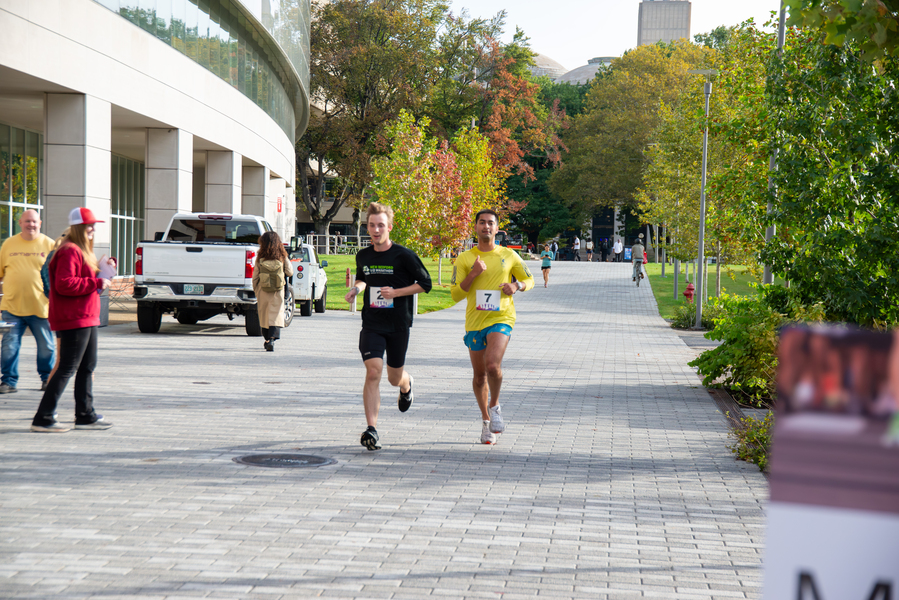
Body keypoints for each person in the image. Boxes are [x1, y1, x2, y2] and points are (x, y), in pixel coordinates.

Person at [345, 202, 432, 451]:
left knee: (394, 378)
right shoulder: (363, 255)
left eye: (380, 225)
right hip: (372, 323)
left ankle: (406, 384)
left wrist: (397, 293)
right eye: (371, 225)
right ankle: (372, 429)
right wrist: (356, 288)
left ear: (389, 227)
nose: (375, 229)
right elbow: (363, 277)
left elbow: (425, 284)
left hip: (398, 325)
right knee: (374, 371)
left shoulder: (404, 255)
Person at [451, 209, 535, 444]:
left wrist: (517, 286)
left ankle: (495, 405)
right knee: (479, 377)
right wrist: (474, 273)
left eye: (490, 223)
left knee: (492, 365)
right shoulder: (465, 259)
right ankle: (486, 422)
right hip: (475, 322)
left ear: (497, 229)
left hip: (502, 318)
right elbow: (456, 294)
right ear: (475, 227)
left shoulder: (509, 255)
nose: (486, 226)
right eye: (482, 223)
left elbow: (530, 280)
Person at [31, 208, 112, 433]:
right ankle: (44, 417)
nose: (93, 229)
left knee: (87, 367)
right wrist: (95, 283)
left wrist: (103, 272)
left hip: (86, 316)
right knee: (67, 367)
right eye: (89, 225)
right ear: (78, 227)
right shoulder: (68, 250)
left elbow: (82, 278)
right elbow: (65, 284)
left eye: (94, 225)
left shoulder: (80, 251)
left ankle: (85, 415)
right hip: (74, 318)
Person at [0, 209, 56, 394]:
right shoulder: (8, 244)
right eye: (27, 221)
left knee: (46, 347)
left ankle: (47, 379)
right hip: (11, 307)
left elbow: (58, 275)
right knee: (9, 345)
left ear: (40, 223)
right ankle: (8, 382)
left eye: (34, 221)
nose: (31, 224)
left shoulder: (49, 244)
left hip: (42, 307)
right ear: (20, 223)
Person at [252, 231, 293, 352]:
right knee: (275, 314)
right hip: (278, 289)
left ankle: (267, 339)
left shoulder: (260, 258)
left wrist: (256, 290)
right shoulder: (282, 256)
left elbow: (255, 277)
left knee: (264, 314)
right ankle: (272, 338)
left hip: (263, 290)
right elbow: (290, 272)